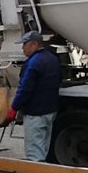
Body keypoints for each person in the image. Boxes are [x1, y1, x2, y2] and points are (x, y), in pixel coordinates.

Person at [7, 31, 62, 162]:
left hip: (35, 113)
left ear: (34, 44)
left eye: (24, 44)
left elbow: (25, 89)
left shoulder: (33, 63)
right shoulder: (52, 59)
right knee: (43, 148)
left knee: (34, 152)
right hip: (50, 110)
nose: (22, 48)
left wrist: (14, 107)